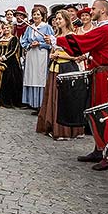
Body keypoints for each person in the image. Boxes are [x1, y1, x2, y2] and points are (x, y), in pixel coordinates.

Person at [49, 0, 108, 168]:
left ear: (103, 11)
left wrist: (57, 41)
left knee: (104, 113)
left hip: (104, 76)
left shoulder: (105, 29)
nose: (91, 10)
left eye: (94, 8)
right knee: (96, 112)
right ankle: (99, 148)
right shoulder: (105, 29)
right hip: (98, 73)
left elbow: (84, 41)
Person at [37, 9, 86, 139]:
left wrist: (60, 54)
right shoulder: (56, 35)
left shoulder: (72, 35)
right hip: (55, 68)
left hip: (67, 68)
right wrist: (53, 55)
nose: (57, 21)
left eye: (60, 19)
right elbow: (53, 50)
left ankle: (66, 130)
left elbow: (77, 56)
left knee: (65, 99)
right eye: (56, 19)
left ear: (66, 20)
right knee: (53, 98)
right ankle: (52, 125)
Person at [21, 6, 54, 110]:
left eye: (38, 14)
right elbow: (24, 41)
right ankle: (31, 102)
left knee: (40, 77)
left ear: (42, 16)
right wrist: (30, 45)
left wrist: (40, 43)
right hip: (31, 55)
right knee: (31, 76)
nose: (36, 16)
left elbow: (52, 42)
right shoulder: (29, 27)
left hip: (41, 55)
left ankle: (41, 104)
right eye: (34, 14)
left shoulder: (47, 27)